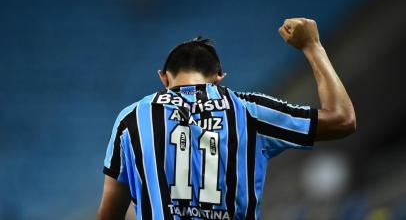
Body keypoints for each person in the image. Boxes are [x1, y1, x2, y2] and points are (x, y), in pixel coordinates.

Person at [97, 18, 356, 220]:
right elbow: (343, 119)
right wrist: (312, 46)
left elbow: (110, 213)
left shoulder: (132, 119)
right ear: (219, 76)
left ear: (163, 78)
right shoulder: (248, 110)